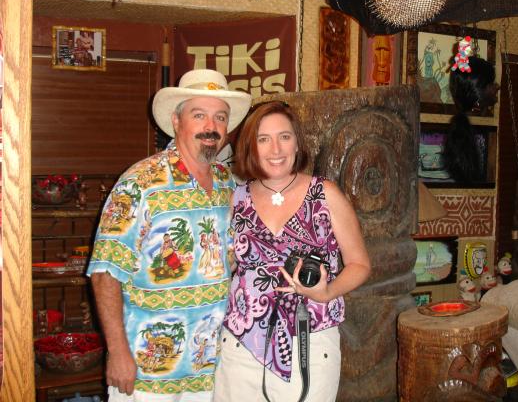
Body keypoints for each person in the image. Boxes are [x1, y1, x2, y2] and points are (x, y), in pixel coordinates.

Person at [86, 69, 251, 401]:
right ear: (176, 121)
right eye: (199, 115)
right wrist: (117, 352)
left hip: (211, 370)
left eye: (220, 117)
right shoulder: (140, 183)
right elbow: (105, 272)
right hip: (147, 372)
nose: (211, 126)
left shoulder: (229, 184)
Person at [213, 101, 371, 401]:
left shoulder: (324, 194)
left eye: (284, 137)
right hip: (241, 343)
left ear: (297, 143)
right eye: (263, 139)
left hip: (310, 340)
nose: (276, 149)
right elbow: (224, 264)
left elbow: (359, 263)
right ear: (251, 147)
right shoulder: (236, 199)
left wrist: (327, 292)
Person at [443, 51, 499, 184]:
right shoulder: (481, 132)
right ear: (477, 91)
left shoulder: (485, 126)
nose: (497, 86)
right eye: (491, 83)